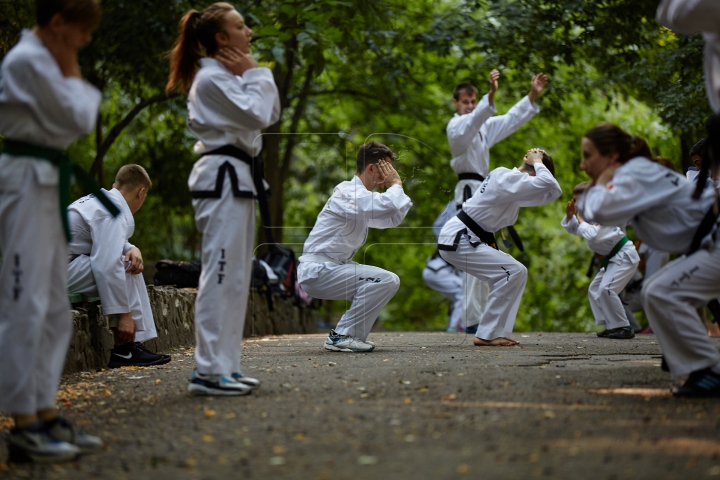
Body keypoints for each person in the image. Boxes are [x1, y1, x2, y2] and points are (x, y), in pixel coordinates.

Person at [0, 0, 106, 462]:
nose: (83, 43)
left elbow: (75, 115)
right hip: (24, 183)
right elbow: (81, 117)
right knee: (25, 301)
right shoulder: (26, 61)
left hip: (44, 182)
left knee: (54, 304)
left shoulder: (44, 60)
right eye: (80, 33)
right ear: (58, 23)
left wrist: (69, 72)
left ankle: (45, 412)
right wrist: (71, 69)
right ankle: (22, 422)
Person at [167, 2, 280, 395]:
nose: (248, 32)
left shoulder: (225, 76)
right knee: (219, 274)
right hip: (223, 179)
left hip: (238, 179)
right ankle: (207, 370)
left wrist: (249, 74)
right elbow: (261, 115)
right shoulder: (211, 79)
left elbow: (267, 112)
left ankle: (226, 366)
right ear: (221, 38)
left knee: (235, 278)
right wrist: (254, 72)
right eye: (240, 26)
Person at [577, 123, 720, 397]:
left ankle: (708, 370)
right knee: (655, 291)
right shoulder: (635, 174)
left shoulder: (635, 174)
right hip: (709, 245)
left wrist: (601, 180)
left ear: (611, 156)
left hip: (715, 242)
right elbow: (606, 217)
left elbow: (595, 209)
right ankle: (702, 369)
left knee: (663, 291)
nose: (583, 165)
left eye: (588, 155)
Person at [446, 70, 548, 334]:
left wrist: (532, 95)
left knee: (483, 250)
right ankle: (471, 319)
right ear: (456, 103)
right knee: (472, 250)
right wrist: (489, 98)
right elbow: (471, 124)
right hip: (469, 192)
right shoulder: (456, 128)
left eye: (473, 101)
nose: (470, 106)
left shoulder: (483, 128)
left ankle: (477, 317)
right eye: (465, 101)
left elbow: (510, 120)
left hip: (485, 192)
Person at [438, 149, 561, 346]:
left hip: (466, 238)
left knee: (515, 272)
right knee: (512, 272)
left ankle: (492, 331)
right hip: (460, 238)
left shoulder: (513, 187)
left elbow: (552, 192)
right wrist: (539, 161)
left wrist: (537, 165)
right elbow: (548, 184)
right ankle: (486, 334)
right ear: (534, 174)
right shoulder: (506, 177)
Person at [298, 142, 412, 352]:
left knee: (387, 281)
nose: (389, 174)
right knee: (386, 279)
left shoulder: (361, 198)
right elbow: (386, 205)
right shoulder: (348, 191)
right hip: (319, 271)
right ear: (371, 168)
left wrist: (397, 188)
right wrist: (395, 185)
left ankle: (349, 336)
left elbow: (391, 218)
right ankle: (342, 335)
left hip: (331, 269)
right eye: (386, 168)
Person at [67, 165, 171, 368]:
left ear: (116, 185)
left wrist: (132, 247)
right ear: (141, 192)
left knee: (129, 262)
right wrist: (124, 315)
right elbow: (106, 264)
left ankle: (130, 347)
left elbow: (102, 239)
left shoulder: (103, 201)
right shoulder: (111, 211)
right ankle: (125, 348)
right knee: (124, 267)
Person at [562, 182, 640, 339]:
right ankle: (611, 325)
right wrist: (570, 216)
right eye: (575, 201)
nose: (577, 205)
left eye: (580, 201)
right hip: (613, 259)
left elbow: (593, 234)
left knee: (607, 289)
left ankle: (624, 326)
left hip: (624, 256)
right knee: (595, 289)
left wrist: (581, 220)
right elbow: (574, 229)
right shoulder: (589, 218)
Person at [423, 201, 464, 332]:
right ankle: (454, 327)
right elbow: (438, 226)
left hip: (441, 270)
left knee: (461, 292)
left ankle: (461, 324)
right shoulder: (456, 204)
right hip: (437, 270)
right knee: (463, 292)